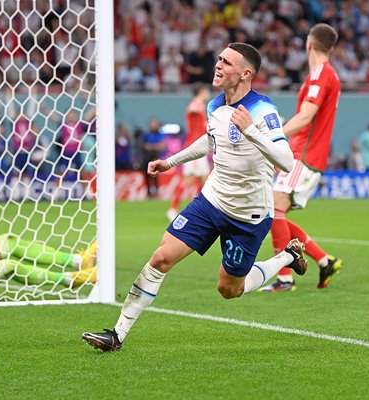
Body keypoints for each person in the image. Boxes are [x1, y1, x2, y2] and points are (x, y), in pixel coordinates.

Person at [82, 42, 306, 352]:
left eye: (226, 62)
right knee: (161, 257)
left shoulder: (262, 110)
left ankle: (287, 257)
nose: (218, 65)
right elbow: (211, 140)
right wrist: (170, 161)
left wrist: (252, 131)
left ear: (245, 73)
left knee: (229, 289)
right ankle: (117, 334)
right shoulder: (214, 106)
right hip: (211, 201)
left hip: (249, 215)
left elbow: (286, 160)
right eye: (219, 59)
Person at [264, 23, 343, 292]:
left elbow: (307, 116)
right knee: (275, 212)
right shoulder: (320, 75)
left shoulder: (322, 74)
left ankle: (285, 277)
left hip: (305, 155)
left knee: (273, 208)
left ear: (310, 43)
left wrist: (274, 136)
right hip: (302, 154)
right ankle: (324, 260)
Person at [166, 83, 212, 221]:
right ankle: (173, 209)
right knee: (190, 181)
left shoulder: (201, 107)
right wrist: (197, 108)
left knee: (205, 179)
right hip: (194, 148)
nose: (208, 94)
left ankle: (201, 209)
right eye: (206, 92)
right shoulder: (196, 104)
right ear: (202, 92)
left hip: (200, 147)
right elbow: (191, 109)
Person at [141, 118, 166, 198]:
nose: (153, 125)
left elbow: (162, 146)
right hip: (147, 158)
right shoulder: (147, 135)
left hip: (156, 158)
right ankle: (149, 194)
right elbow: (144, 146)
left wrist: (151, 146)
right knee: (147, 176)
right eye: (152, 124)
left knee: (156, 176)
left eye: (155, 124)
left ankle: (157, 193)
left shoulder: (160, 134)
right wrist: (155, 146)